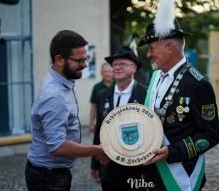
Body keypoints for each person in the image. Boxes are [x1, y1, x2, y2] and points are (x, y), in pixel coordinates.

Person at [137, 0, 219, 190]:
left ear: (169, 47)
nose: (148, 54)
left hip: (181, 174)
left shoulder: (197, 84)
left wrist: (171, 152)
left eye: (151, 48)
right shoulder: (156, 76)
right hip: (153, 173)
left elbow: (210, 135)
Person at [25, 30, 109, 191]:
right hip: (48, 177)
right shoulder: (55, 95)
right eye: (80, 60)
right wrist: (98, 150)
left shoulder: (61, 80)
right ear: (59, 60)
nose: (85, 64)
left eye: (86, 58)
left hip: (50, 172)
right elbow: (58, 147)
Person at [91, 46, 147, 191]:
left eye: (122, 64)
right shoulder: (102, 95)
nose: (117, 67)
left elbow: (150, 131)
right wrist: (94, 164)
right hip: (108, 167)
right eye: (114, 64)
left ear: (134, 68)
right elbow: (99, 129)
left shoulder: (146, 94)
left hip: (135, 169)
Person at [89, 63, 113, 134]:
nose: (108, 74)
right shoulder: (97, 87)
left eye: (110, 72)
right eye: (105, 72)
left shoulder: (117, 86)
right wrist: (91, 122)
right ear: (101, 73)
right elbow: (93, 106)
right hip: (101, 122)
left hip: (115, 121)